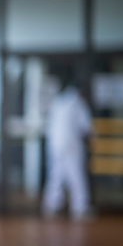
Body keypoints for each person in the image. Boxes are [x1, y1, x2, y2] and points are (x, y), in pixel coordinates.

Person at [42, 81, 93, 220]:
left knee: (56, 174)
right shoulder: (77, 103)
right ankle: (80, 207)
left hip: (54, 144)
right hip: (71, 144)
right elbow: (87, 127)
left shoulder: (58, 101)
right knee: (76, 174)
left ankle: (52, 204)